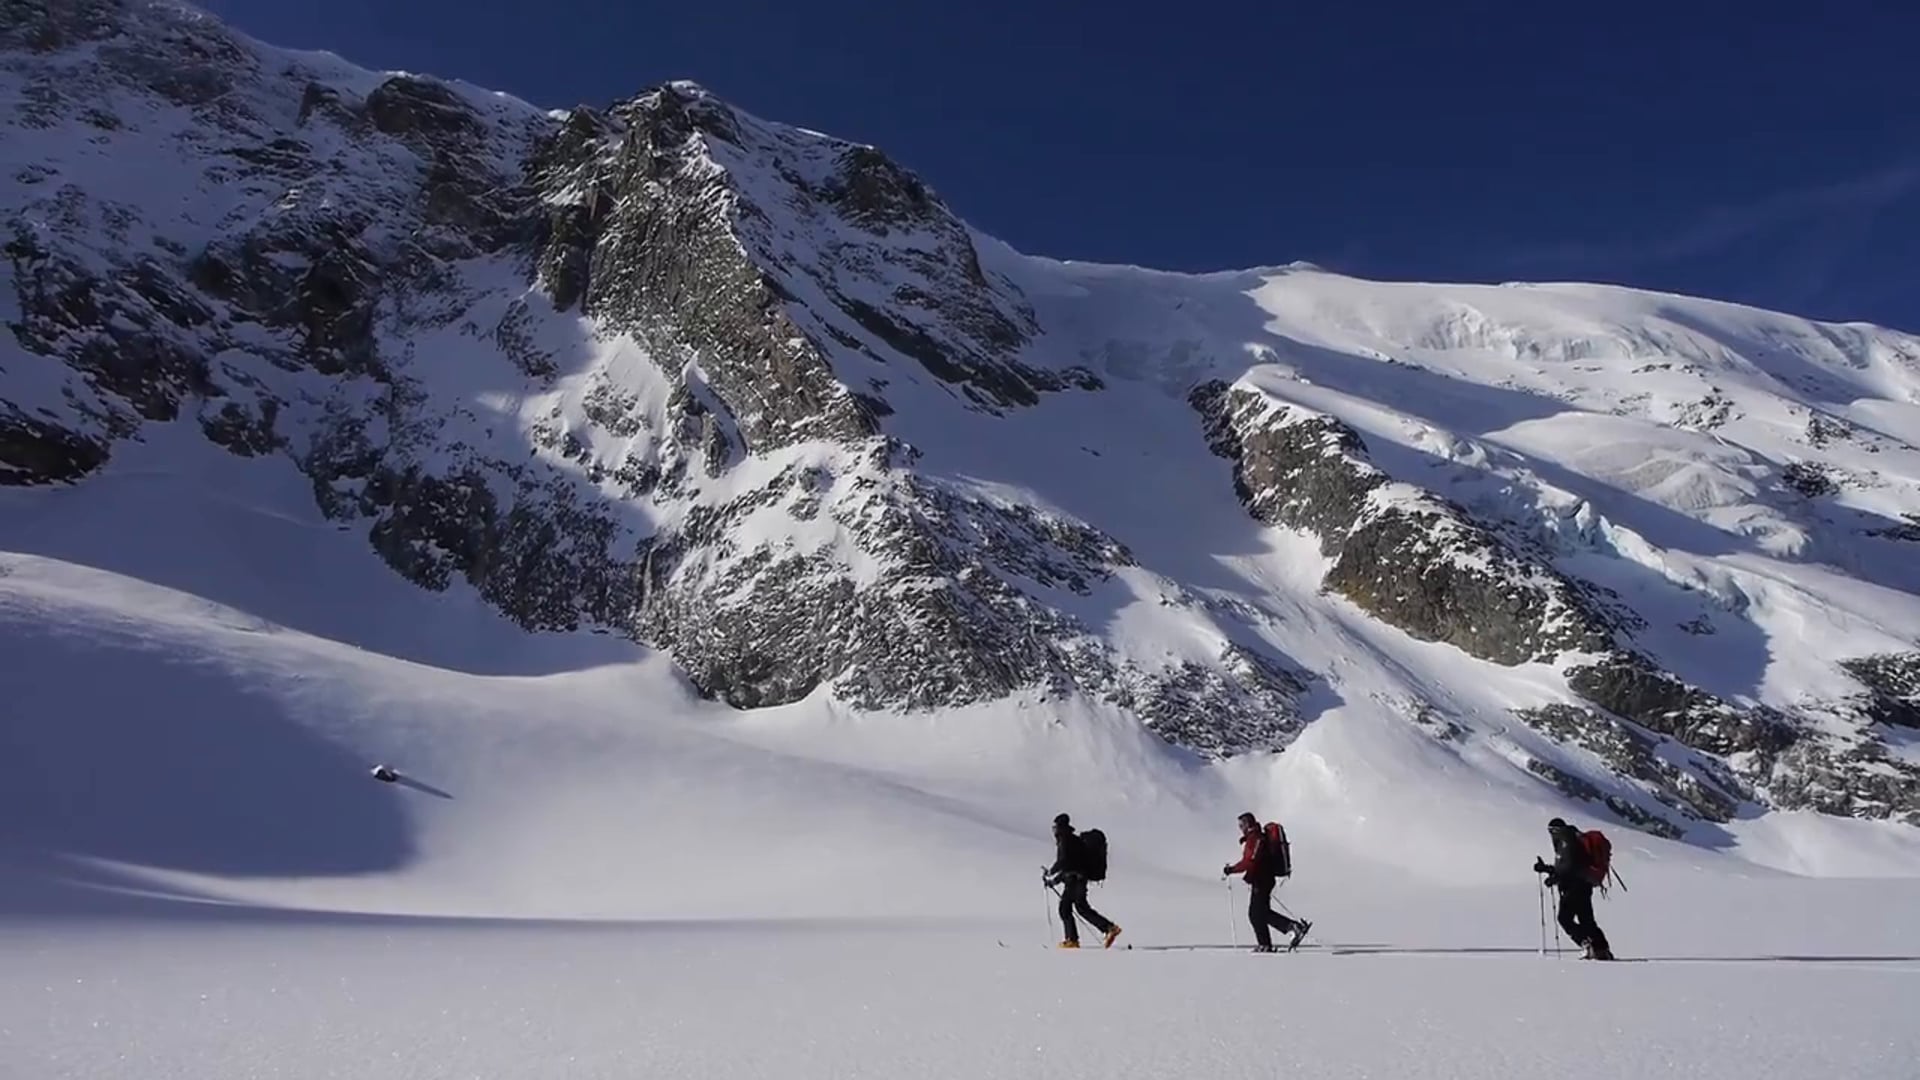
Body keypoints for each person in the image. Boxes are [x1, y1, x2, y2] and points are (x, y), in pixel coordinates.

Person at [1223, 812, 1311, 952]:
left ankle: (1279, 936)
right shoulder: (1254, 838)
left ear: (1248, 824)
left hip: (1262, 879)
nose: (1240, 828)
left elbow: (1250, 861)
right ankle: (1272, 940)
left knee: (1256, 913)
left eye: (1241, 825)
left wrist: (1232, 869)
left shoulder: (1256, 838)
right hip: (1262, 879)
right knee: (1259, 913)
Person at [1534, 817, 1614, 960]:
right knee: (1587, 920)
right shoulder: (1574, 838)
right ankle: (1602, 949)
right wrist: (1547, 869)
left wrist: (1555, 878)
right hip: (1584, 884)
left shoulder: (1565, 841)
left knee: (1564, 918)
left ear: (1553, 830)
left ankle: (1586, 944)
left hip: (1573, 886)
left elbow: (1569, 867)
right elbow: (1567, 866)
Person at [1044, 813, 1121, 949]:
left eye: (1055, 827)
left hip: (1074, 879)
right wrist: (1055, 880)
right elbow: (1069, 865)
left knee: (1066, 908)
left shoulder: (1065, 840)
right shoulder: (1072, 840)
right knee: (1080, 907)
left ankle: (1073, 939)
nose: (1054, 830)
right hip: (1078, 878)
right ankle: (1107, 928)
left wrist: (1051, 874)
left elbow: (1064, 863)